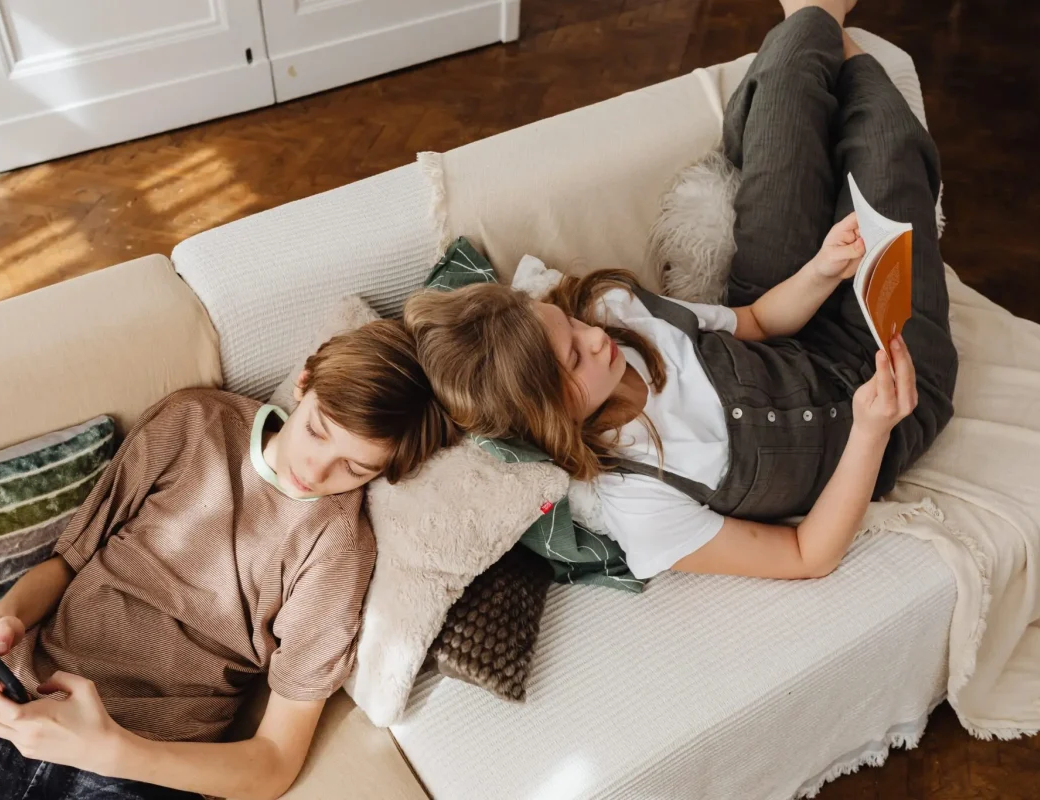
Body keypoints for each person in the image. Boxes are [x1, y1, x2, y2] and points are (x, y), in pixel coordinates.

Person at [404, 0, 957, 582]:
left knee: (793, 67)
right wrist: (870, 430)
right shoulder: (637, 499)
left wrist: (821, 270)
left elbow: (758, 323)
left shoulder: (612, 314)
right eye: (574, 355)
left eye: (568, 324)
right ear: (546, 416)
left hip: (796, 325)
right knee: (889, 145)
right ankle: (824, 28)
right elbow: (806, 555)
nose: (594, 335)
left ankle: (814, 18)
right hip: (898, 392)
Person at [0, 320, 453, 800]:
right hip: (14, 711)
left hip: (136, 773)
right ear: (303, 384)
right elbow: (67, 564)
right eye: (320, 431)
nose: (317, 472)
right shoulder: (193, 423)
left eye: (356, 468)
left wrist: (112, 750)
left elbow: (273, 763)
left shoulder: (340, 551)